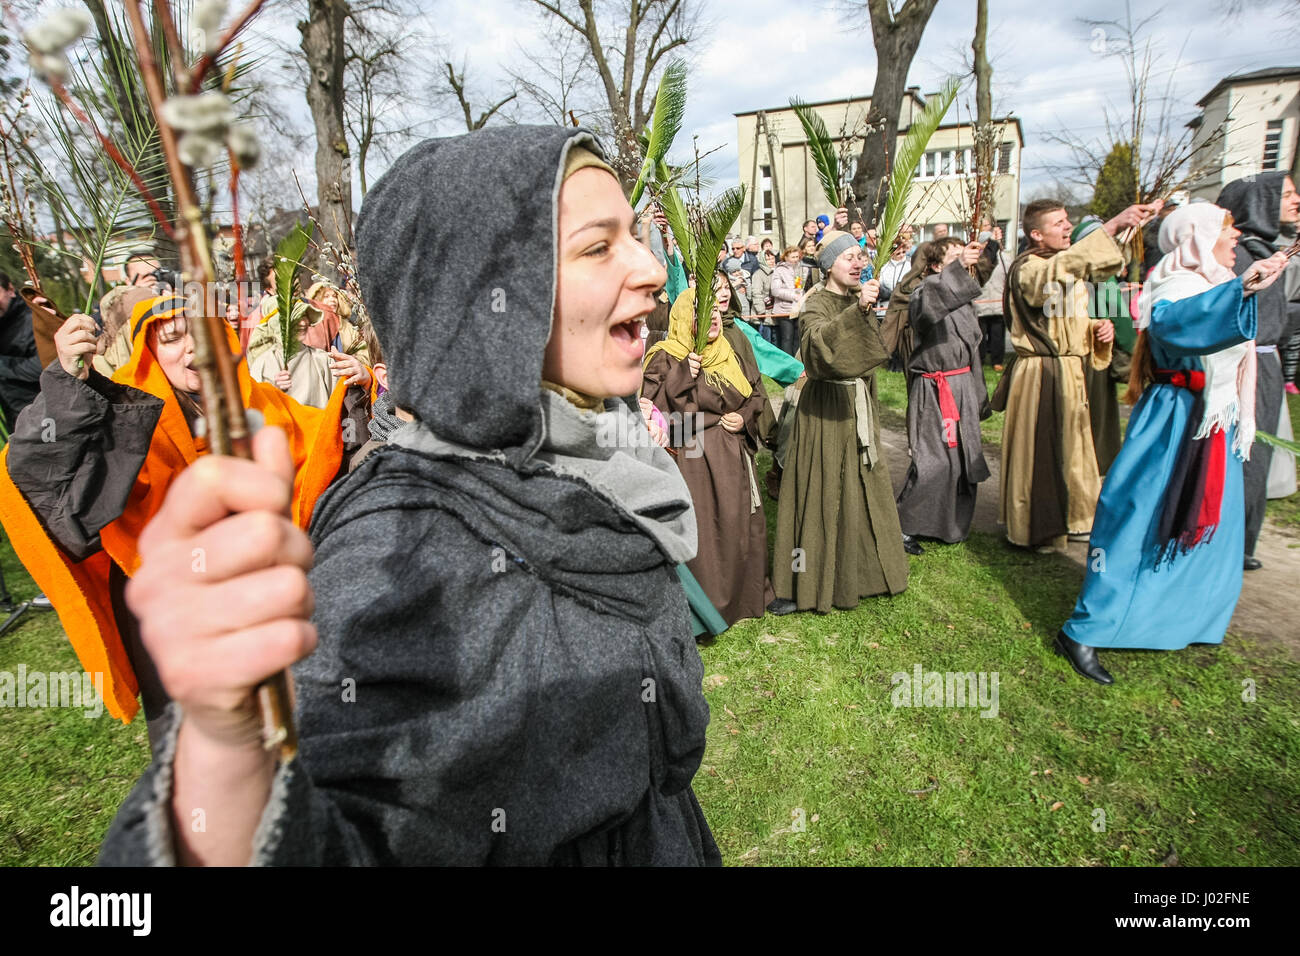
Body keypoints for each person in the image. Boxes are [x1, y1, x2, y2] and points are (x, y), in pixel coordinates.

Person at [98, 126, 720, 866]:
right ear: (484, 301)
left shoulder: (599, 440)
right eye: (598, 246)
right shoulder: (399, 550)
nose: (652, 266)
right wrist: (226, 759)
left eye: (636, 236)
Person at [0, 294, 359, 749]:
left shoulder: (259, 401)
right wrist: (67, 383)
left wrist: (362, 389)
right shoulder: (123, 413)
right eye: (171, 338)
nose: (192, 348)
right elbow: (35, 469)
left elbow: (325, 447)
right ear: (149, 350)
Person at [1055, 204, 1288, 684]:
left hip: (1211, 418)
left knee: (1212, 522)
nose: (1236, 237)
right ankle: (1086, 628)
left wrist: (1243, 284)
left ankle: (1183, 618)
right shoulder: (1176, 283)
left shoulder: (1211, 280)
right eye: (1227, 230)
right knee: (1139, 516)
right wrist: (1240, 288)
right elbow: (1173, 322)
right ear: (1199, 237)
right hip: (1175, 418)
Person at [995, 197, 1159, 551]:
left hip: (1069, 371)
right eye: (1059, 223)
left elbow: (1063, 315)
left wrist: (1097, 329)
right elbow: (1049, 282)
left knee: (1074, 449)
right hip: (1042, 375)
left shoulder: (1059, 266)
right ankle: (1035, 525)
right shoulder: (1029, 268)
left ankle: (1075, 517)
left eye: (1068, 220)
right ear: (1037, 234)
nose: (1068, 227)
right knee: (1043, 452)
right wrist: (1111, 227)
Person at [770, 230, 907, 613]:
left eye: (860, 256)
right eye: (848, 257)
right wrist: (857, 312)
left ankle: (863, 574)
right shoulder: (817, 303)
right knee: (821, 493)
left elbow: (871, 354)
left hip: (856, 407)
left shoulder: (853, 299)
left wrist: (863, 309)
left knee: (857, 487)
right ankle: (805, 581)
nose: (858, 263)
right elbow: (818, 349)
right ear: (829, 265)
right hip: (826, 410)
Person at [642, 288, 775, 626]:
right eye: (701, 312)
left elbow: (756, 394)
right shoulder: (665, 356)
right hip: (693, 459)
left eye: (715, 310)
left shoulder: (727, 352)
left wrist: (744, 417)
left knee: (737, 525)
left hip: (733, 455)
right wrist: (684, 373)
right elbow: (653, 411)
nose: (713, 317)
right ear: (685, 318)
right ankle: (705, 610)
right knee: (707, 532)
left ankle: (743, 600)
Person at [1216, 171, 1300, 571]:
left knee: (1256, 451)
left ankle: (1242, 538)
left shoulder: (1266, 250)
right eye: (1285, 194)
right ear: (1259, 203)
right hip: (1243, 364)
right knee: (1243, 450)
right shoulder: (1242, 258)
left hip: (1264, 361)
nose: (1296, 200)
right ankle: (1231, 539)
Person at [895, 238, 991, 550]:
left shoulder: (962, 297)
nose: (965, 261)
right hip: (936, 389)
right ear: (937, 266)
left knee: (962, 460)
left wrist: (989, 251)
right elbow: (925, 312)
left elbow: (975, 280)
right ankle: (903, 524)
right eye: (955, 257)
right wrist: (959, 266)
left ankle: (949, 525)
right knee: (934, 460)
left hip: (962, 384)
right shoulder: (924, 292)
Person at [0, 272, 41, 430]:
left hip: (41, 415)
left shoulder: (33, 317)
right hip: (15, 417)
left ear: (10, 289)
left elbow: (45, 365)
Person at [975, 223, 1011, 371]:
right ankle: (980, 360)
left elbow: (1009, 276)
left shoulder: (1004, 258)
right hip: (980, 303)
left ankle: (997, 361)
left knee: (997, 335)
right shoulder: (976, 258)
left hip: (997, 303)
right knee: (980, 336)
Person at [770, 245, 803, 356]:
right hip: (784, 310)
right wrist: (793, 296)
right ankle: (788, 365)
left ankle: (798, 363)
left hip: (798, 309)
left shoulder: (800, 269)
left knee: (797, 338)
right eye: (793, 257)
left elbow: (799, 287)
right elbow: (775, 290)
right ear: (786, 257)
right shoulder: (779, 270)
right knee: (787, 338)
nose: (795, 259)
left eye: (797, 257)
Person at [750, 247, 776, 341]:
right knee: (766, 340)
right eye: (768, 259)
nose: (771, 261)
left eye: (772, 258)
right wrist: (761, 311)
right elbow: (756, 293)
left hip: (774, 314)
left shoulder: (776, 272)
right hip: (763, 316)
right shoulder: (758, 274)